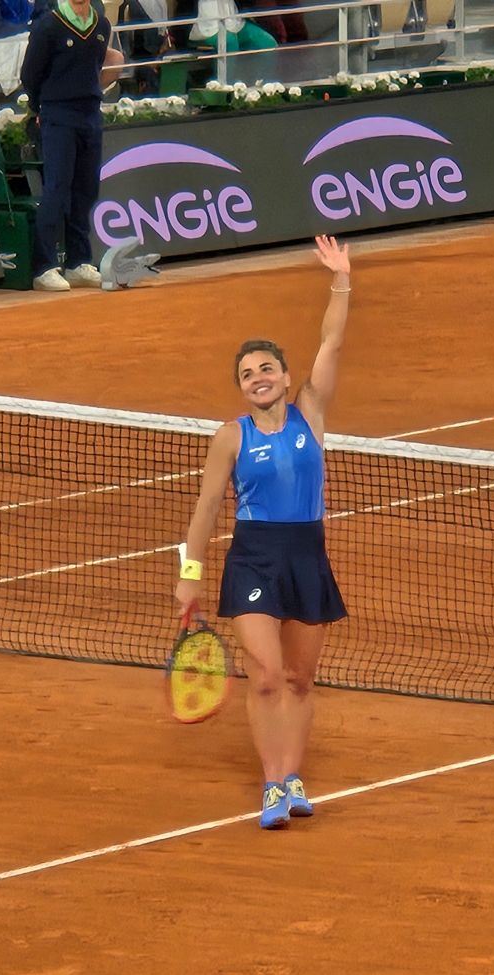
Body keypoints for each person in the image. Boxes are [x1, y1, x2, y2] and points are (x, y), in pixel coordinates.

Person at [175, 235, 351, 831]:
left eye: (266, 368)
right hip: (253, 558)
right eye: (247, 373)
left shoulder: (311, 413)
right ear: (240, 385)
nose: (258, 378)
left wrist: (341, 279)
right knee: (267, 675)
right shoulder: (231, 435)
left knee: (301, 680)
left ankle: (294, 777)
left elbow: (331, 339)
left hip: (307, 553)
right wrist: (189, 575)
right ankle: (272, 784)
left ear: (284, 374)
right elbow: (204, 511)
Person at [20, 0, 122, 291]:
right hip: (57, 114)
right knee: (57, 189)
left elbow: (96, 66)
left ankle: (78, 263)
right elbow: (30, 75)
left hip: (90, 114)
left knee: (86, 188)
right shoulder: (48, 25)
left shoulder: (101, 25)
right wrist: (44, 107)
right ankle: (45, 267)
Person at [189, 0, 277, 53]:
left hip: (234, 20)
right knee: (229, 41)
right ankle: (226, 83)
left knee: (267, 43)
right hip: (204, 23)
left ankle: (261, 81)